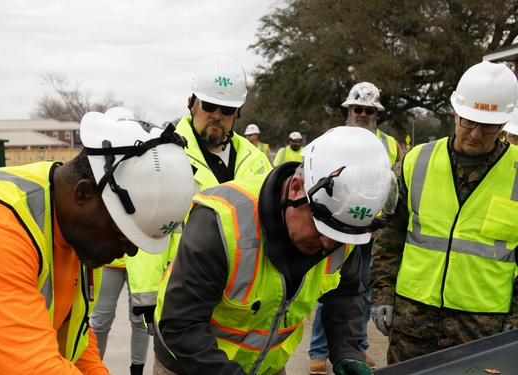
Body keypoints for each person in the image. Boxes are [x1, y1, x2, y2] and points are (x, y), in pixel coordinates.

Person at [0, 110, 195, 374]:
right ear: (84, 194)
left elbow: (76, 341)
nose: (131, 251)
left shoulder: (75, 230)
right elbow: (32, 367)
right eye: (122, 233)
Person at [154, 126, 398, 375]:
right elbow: (182, 326)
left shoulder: (341, 229)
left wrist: (347, 350)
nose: (328, 245)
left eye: (341, 236)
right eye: (323, 228)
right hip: (190, 365)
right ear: (296, 189)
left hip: (267, 367)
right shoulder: (220, 223)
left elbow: (345, 295)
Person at [370, 60, 518, 364]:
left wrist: (515, 322)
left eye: (488, 126)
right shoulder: (414, 162)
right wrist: (382, 295)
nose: (476, 134)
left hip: (483, 330)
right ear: (455, 112)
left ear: (504, 124)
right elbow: (389, 236)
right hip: (412, 323)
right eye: (468, 121)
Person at [125, 55, 272, 335]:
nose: (217, 114)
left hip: (238, 305)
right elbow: (144, 227)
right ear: (191, 102)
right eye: (209, 105)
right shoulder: (160, 157)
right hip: (180, 299)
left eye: (227, 108)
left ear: (238, 113)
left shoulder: (257, 163)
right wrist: (147, 300)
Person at [308, 82, 403, 374]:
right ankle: (319, 351)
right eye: (358, 109)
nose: (363, 114)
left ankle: (355, 347)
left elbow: (393, 187)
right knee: (331, 288)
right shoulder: (333, 140)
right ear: (349, 110)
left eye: (370, 110)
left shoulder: (391, 145)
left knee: (360, 290)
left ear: (377, 114)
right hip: (335, 229)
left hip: (370, 230)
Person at [89, 107, 150, 375]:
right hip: (109, 260)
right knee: (101, 320)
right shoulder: (93, 169)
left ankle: (136, 371)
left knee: (139, 321)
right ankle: (94, 368)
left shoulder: (147, 169)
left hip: (140, 259)